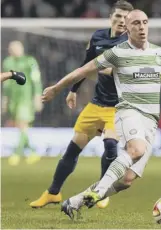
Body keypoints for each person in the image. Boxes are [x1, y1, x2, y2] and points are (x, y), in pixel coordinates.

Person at [41, 9, 161, 219]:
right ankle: (98, 192)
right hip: (128, 112)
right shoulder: (117, 53)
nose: (141, 27)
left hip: (150, 120)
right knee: (136, 149)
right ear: (128, 28)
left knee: (126, 180)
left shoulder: (159, 54)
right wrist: (56, 89)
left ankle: (75, 202)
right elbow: (83, 70)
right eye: (136, 24)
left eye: (144, 22)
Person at [29, 0, 134, 209]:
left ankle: (101, 192)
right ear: (111, 17)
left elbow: (117, 71)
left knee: (110, 146)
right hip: (96, 104)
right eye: (119, 16)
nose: (122, 21)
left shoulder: (129, 44)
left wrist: (104, 69)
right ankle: (52, 193)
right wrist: (73, 90)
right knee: (72, 149)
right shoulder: (97, 37)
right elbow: (86, 65)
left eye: (126, 18)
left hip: (119, 107)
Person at [2, 41, 43, 166]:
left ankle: (17, 153)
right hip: (14, 99)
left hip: (26, 98)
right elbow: (6, 84)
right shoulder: (7, 62)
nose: (14, 50)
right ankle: (32, 152)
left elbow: (36, 80)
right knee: (21, 127)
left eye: (17, 48)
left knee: (23, 124)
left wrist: (37, 97)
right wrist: (5, 99)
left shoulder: (30, 61)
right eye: (12, 48)